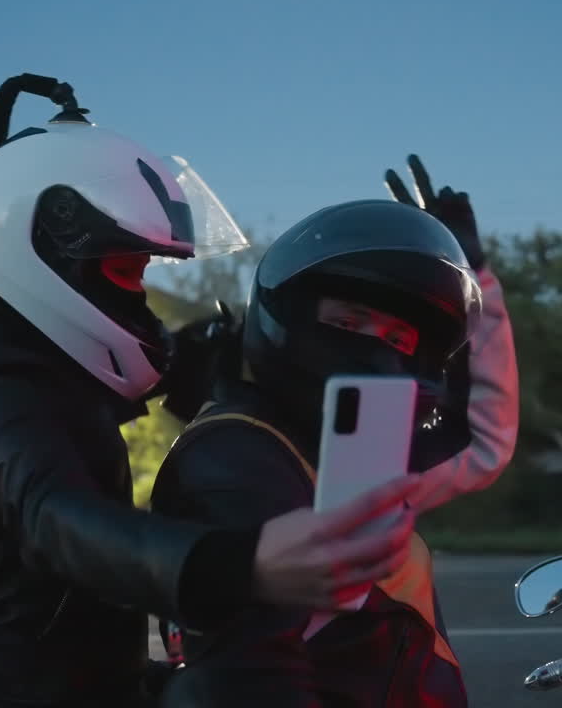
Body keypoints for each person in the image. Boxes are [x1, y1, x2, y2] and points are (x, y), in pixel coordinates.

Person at [0, 73, 422, 708]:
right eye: (124, 269)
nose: (137, 296)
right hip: (22, 696)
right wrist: (239, 563)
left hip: (97, 681)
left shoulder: (33, 352)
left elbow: (177, 380)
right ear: (40, 246)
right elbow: (55, 522)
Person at [149, 156, 519, 707]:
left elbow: (483, 436)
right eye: (347, 324)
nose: (372, 348)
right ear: (290, 316)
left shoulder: (361, 452)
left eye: (397, 339)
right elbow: (253, 677)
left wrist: (479, 274)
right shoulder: (239, 461)